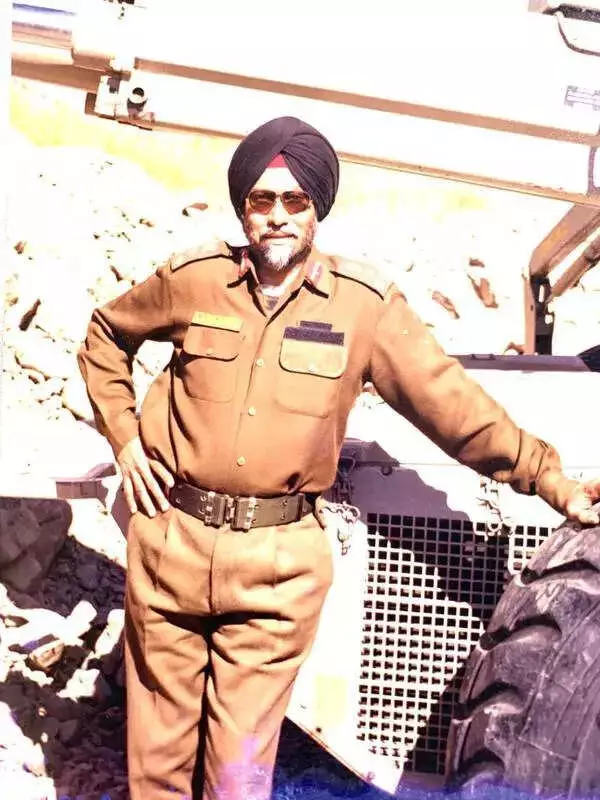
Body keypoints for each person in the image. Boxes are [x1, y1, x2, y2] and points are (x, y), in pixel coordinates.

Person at [78, 116, 600, 800]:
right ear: (243, 207)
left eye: (294, 200)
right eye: (262, 200)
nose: (277, 216)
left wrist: (550, 480)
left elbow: (453, 408)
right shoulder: (194, 280)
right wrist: (124, 440)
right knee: (156, 765)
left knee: (237, 773)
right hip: (171, 548)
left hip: (275, 573)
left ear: (316, 208)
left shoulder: (363, 307)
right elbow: (105, 336)